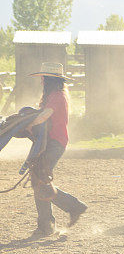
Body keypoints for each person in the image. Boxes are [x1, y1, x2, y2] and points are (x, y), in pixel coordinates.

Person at [27, 62, 87, 237]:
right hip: (51, 142)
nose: (42, 82)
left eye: (44, 78)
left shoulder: (56, 97)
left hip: (54, 143)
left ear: (50, 80)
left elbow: (45, 115)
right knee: (39, 180)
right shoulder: (56, 94)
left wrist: (29, 124)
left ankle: (70, 209)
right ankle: (47, 224)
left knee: (40, 181)